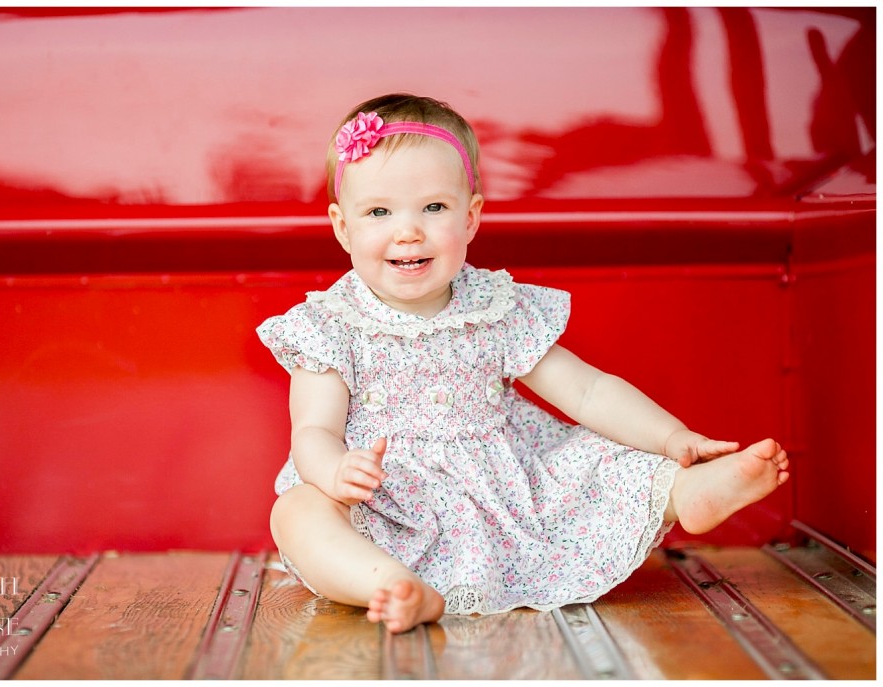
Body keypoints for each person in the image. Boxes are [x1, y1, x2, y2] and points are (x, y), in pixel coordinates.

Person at [256, 93, 789, 634]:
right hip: (385, 504)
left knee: (595, 460)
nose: (408, 231)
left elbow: (588, 393)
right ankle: (391, 584)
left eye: (434, 208)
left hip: (508, 495)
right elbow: (314, 429)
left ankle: (683, 491)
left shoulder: (496, 309)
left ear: (471, 218)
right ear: (343, 227)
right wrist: (336, 471)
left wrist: (673, 439)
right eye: (378, 212)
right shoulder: (328, 326)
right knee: (297, 511)